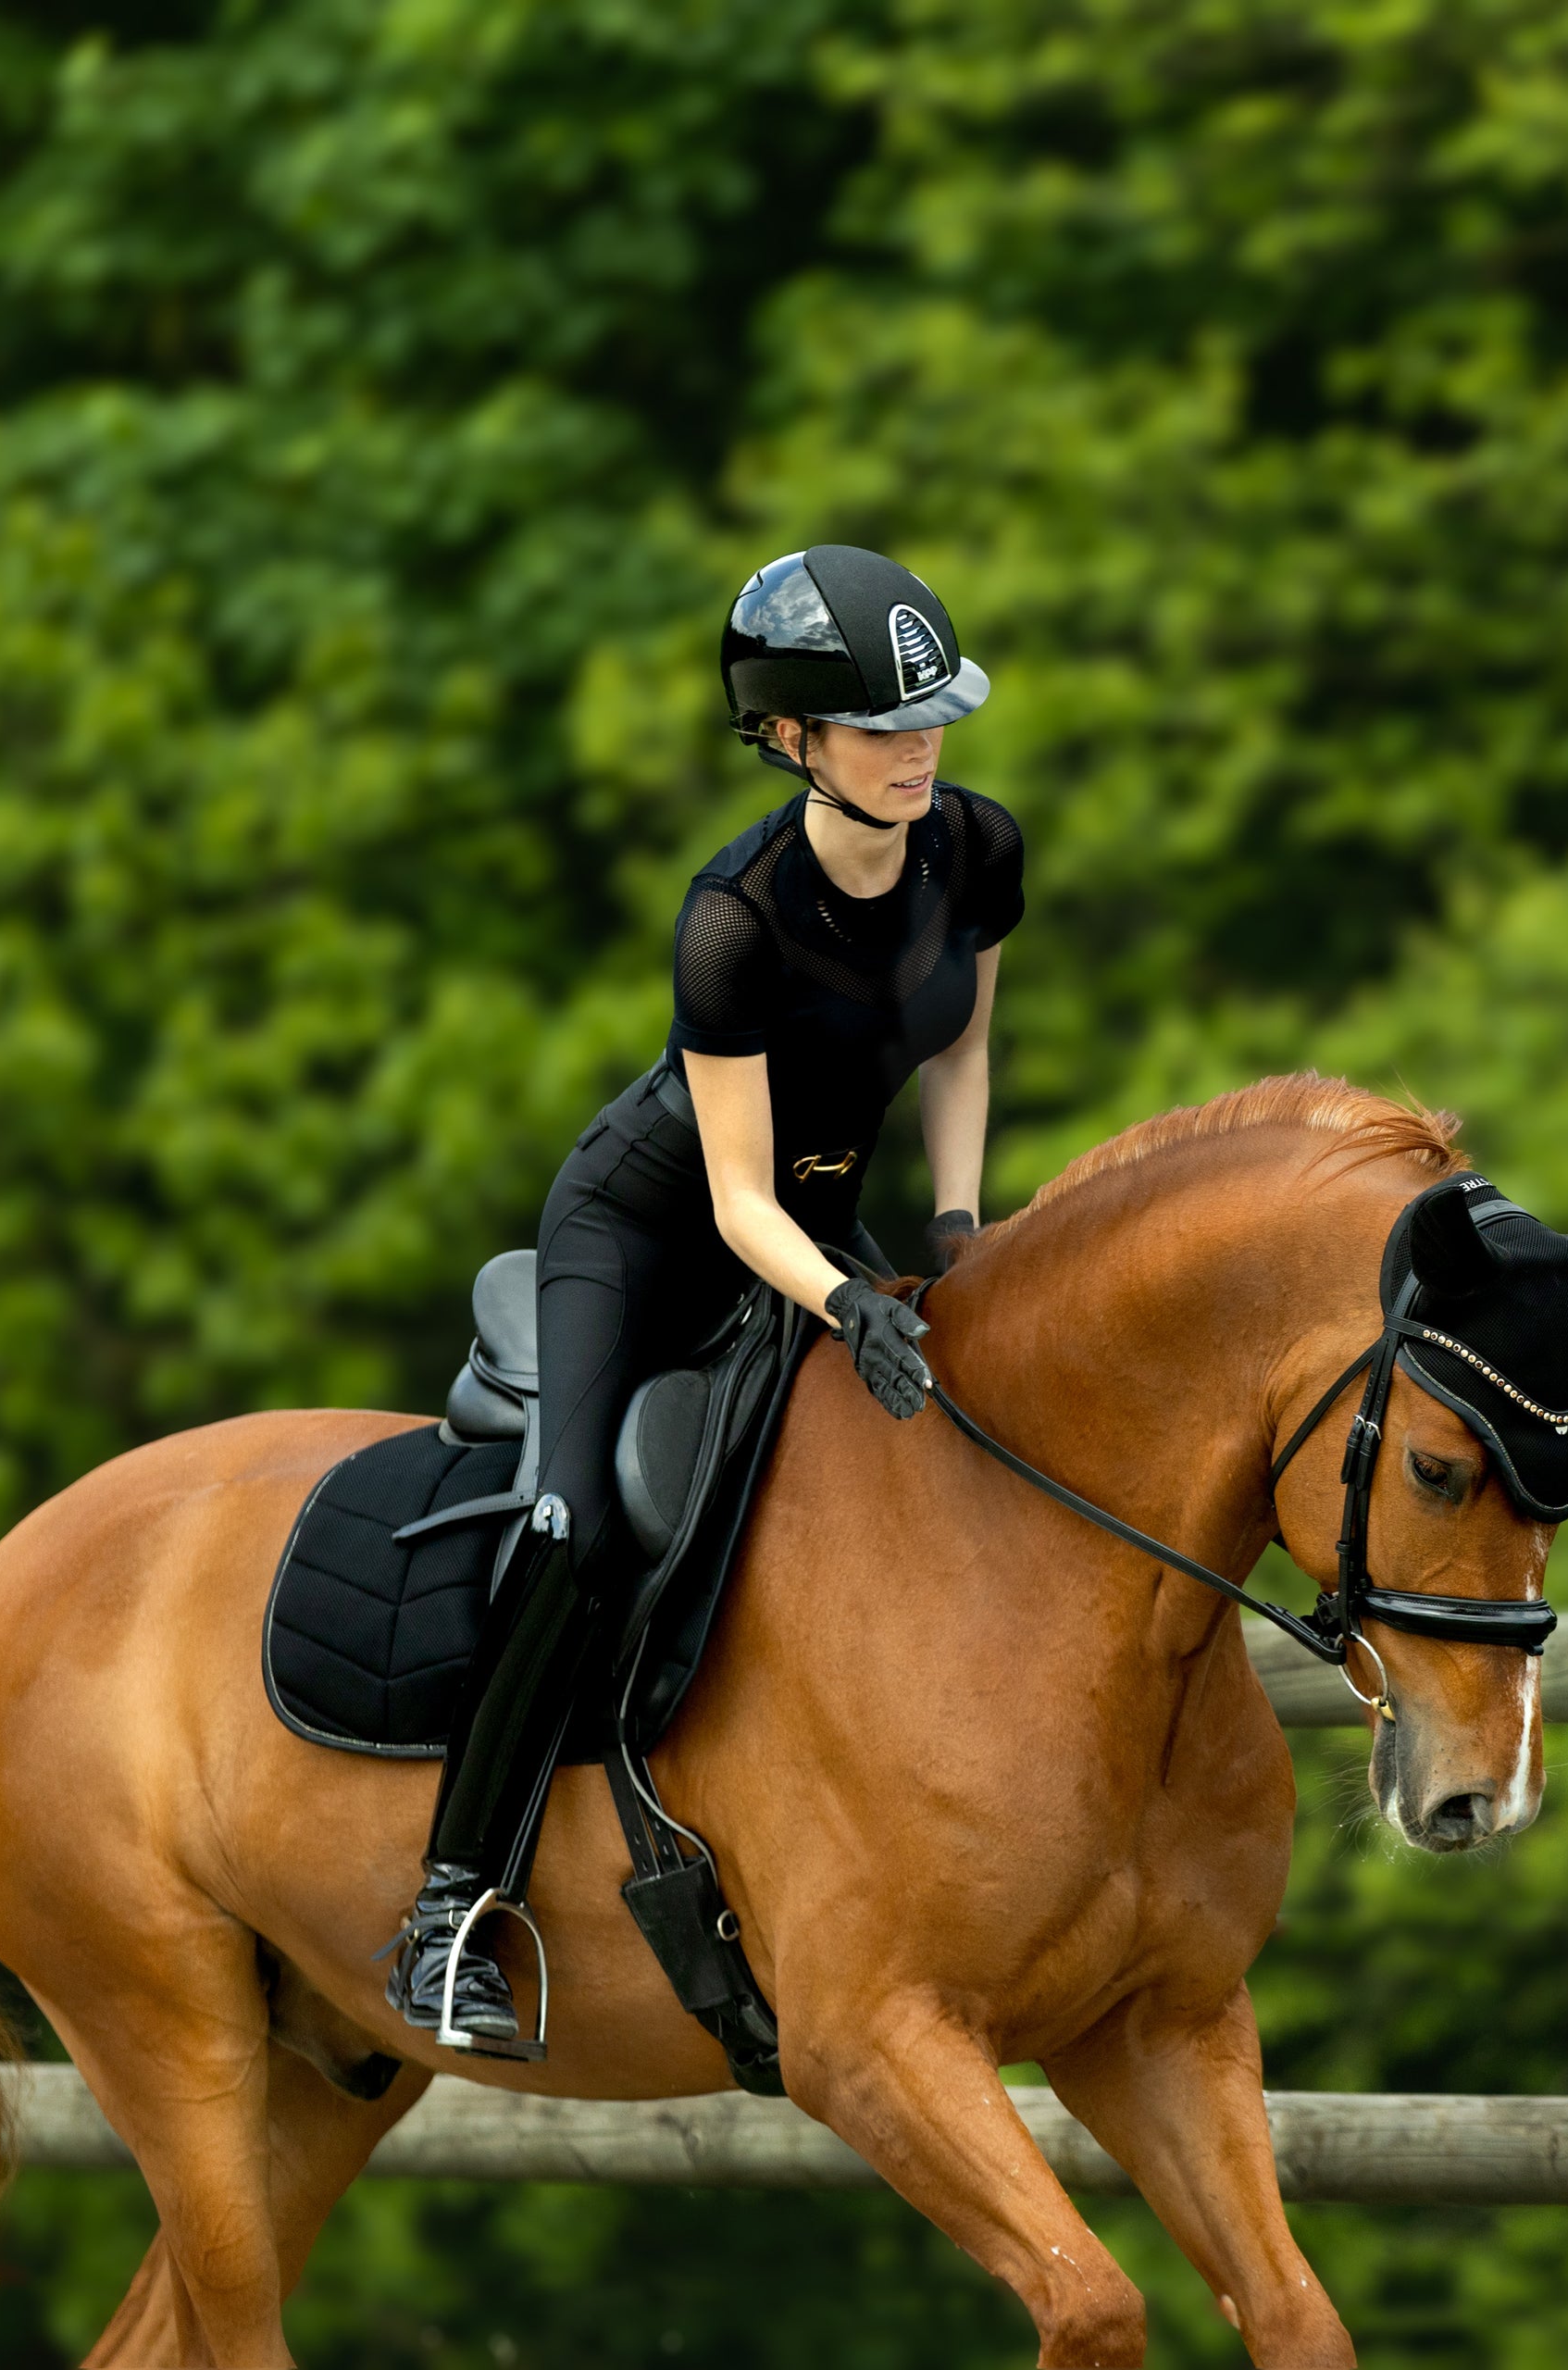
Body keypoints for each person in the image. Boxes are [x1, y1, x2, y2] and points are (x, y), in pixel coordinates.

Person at [382, 545, 1021, 2055]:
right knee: (578, 1525)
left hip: (819, 1215)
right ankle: (446, 1908)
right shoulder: (733, 920)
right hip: (652, 1229)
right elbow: (735, 1200)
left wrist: (955, 1223)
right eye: (881, 725)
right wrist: (845, 1301)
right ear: (793, 739)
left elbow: (960, 1052)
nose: (920, 747)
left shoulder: (976, 848)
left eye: (931, 717)